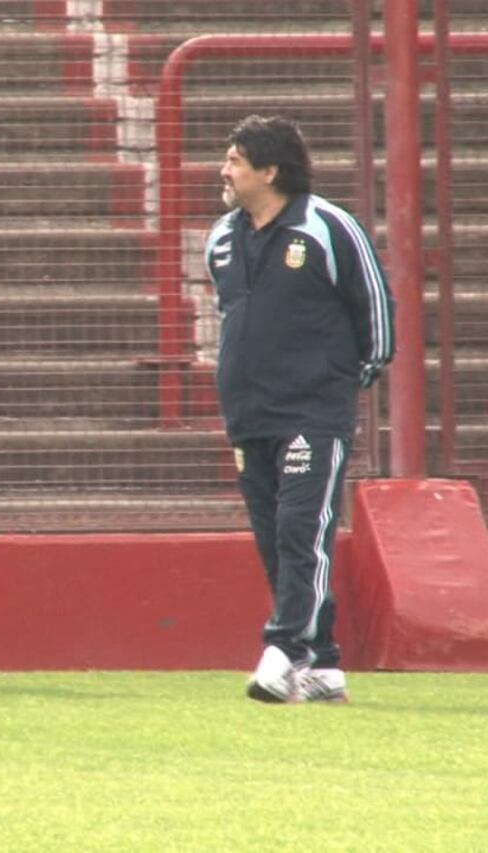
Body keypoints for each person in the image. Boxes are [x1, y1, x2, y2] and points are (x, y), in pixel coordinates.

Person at [204, 115, 395, 703]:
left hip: (313, 412)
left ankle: (283, 648)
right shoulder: (222, 239)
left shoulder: (328, 227)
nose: (225, 170)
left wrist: (342, 384)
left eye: (236, 160)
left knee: (301, 530)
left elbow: (377, 315)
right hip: (249, 415)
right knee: (274, 538)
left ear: (270, 171)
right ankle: (324, 665)